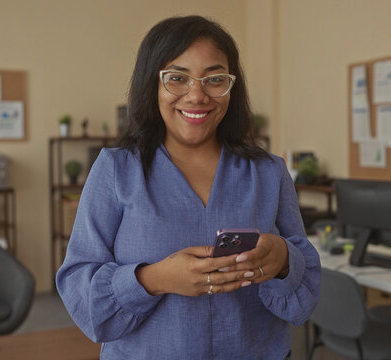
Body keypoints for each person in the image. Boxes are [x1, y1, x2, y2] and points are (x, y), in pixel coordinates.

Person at [56, 15, 320, 360]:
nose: (197, 95)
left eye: (214, 79)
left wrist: (283, 259)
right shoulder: (116, 170)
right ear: (153, 84)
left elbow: (304, 294)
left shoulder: (269, 172)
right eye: (177, 78)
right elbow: (80, 291)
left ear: (231, 86)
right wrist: (155, 279)